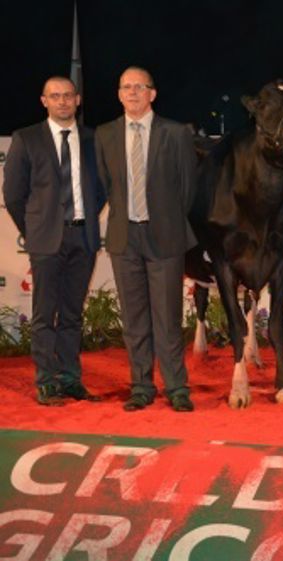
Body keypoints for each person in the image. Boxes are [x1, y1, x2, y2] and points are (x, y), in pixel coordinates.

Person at [95, 67, 197, 413]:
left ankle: (176, 387)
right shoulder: (106, 134)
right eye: (126, 87)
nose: (133, 92)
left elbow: (187, 189)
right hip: (125, 237)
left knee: (168, 317)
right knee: (134, 318)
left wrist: (165, 219)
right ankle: (141, 386)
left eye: (140, 87)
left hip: (165, 235)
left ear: (152, 94)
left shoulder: (176, 133)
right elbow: (108, 184)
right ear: (119, 94)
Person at [3, 76, 105, 406]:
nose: (62, 101)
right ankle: (46, 380)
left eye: (68, 96)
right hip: (45, 238)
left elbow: (101, 189)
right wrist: (35, 229)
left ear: (78, 100)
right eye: (55, 96)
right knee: (45, 313)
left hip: (83, 236)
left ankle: (70, 378)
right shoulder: (27, 138)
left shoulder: (94, 139)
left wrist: (84, 218)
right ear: (44, 101)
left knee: (73, 313)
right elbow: (14, 194)